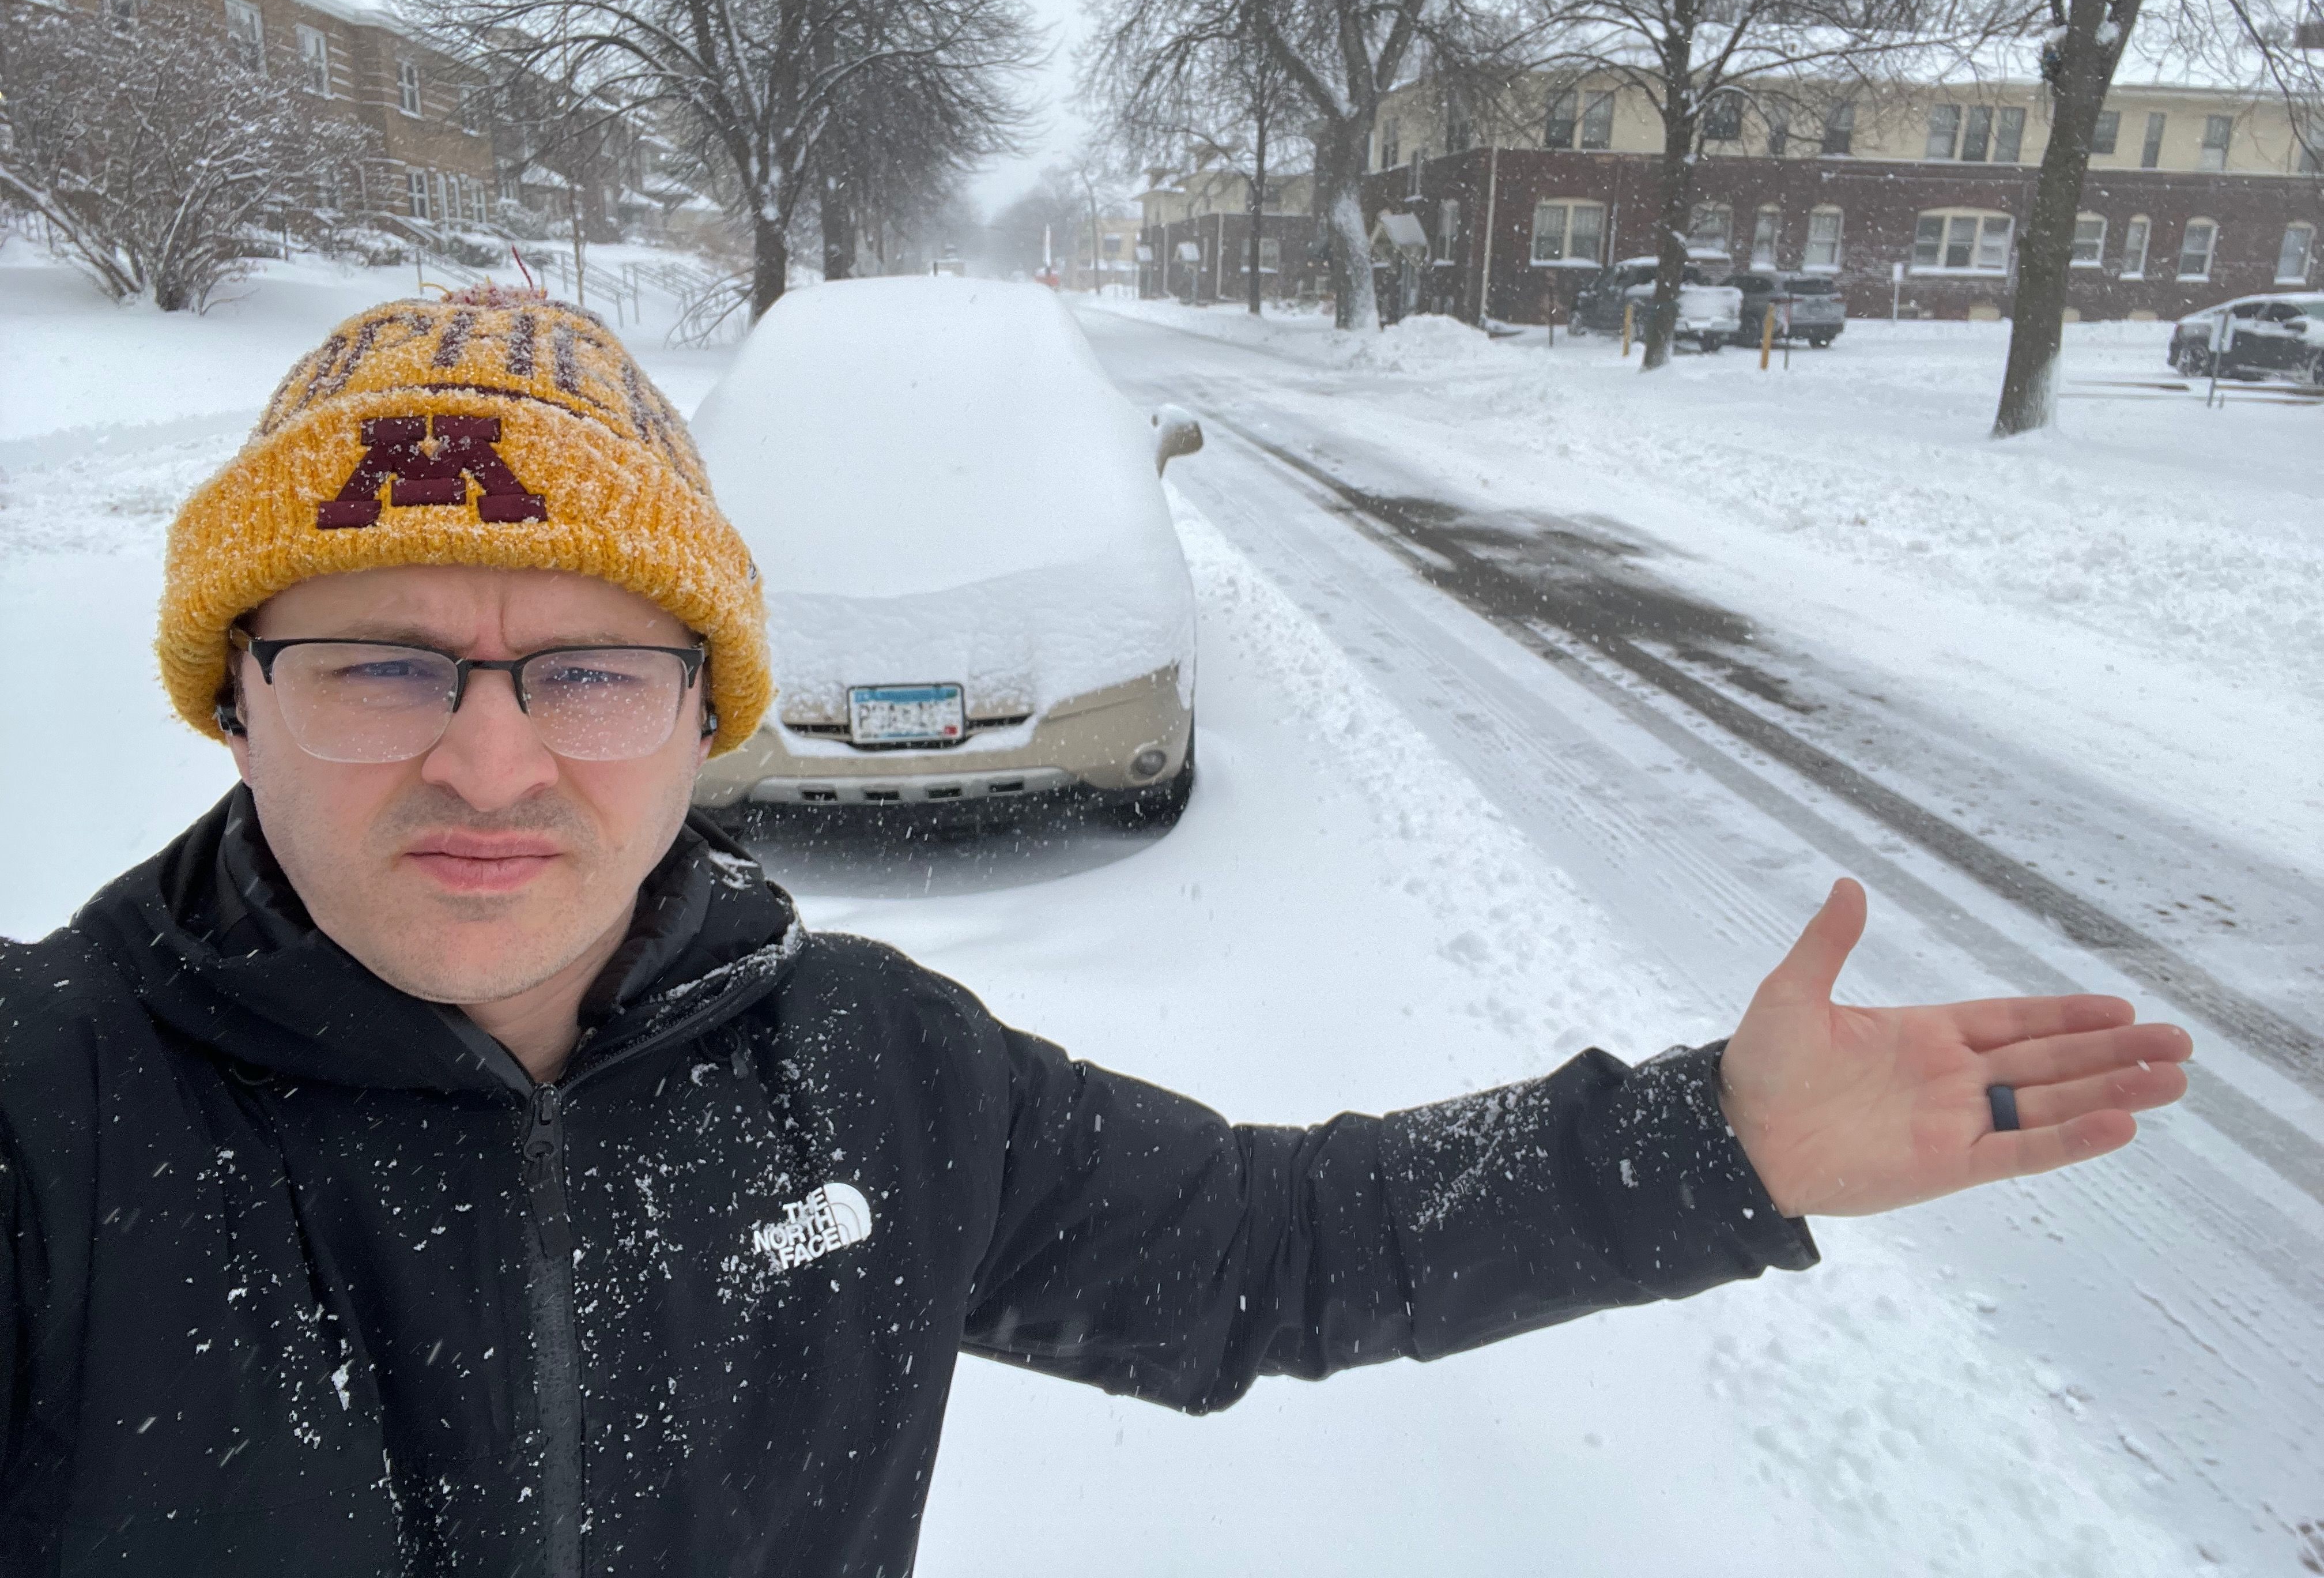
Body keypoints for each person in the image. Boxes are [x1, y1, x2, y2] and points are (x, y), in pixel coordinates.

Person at [0, 289, 2191, 1576]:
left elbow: (1279, 1243)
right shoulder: (47, 1123)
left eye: (583, 669)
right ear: (233, 697)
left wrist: (1721, 1145)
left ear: (697, 719)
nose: (493, 767)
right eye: (386, 664)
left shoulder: (868, 1071)